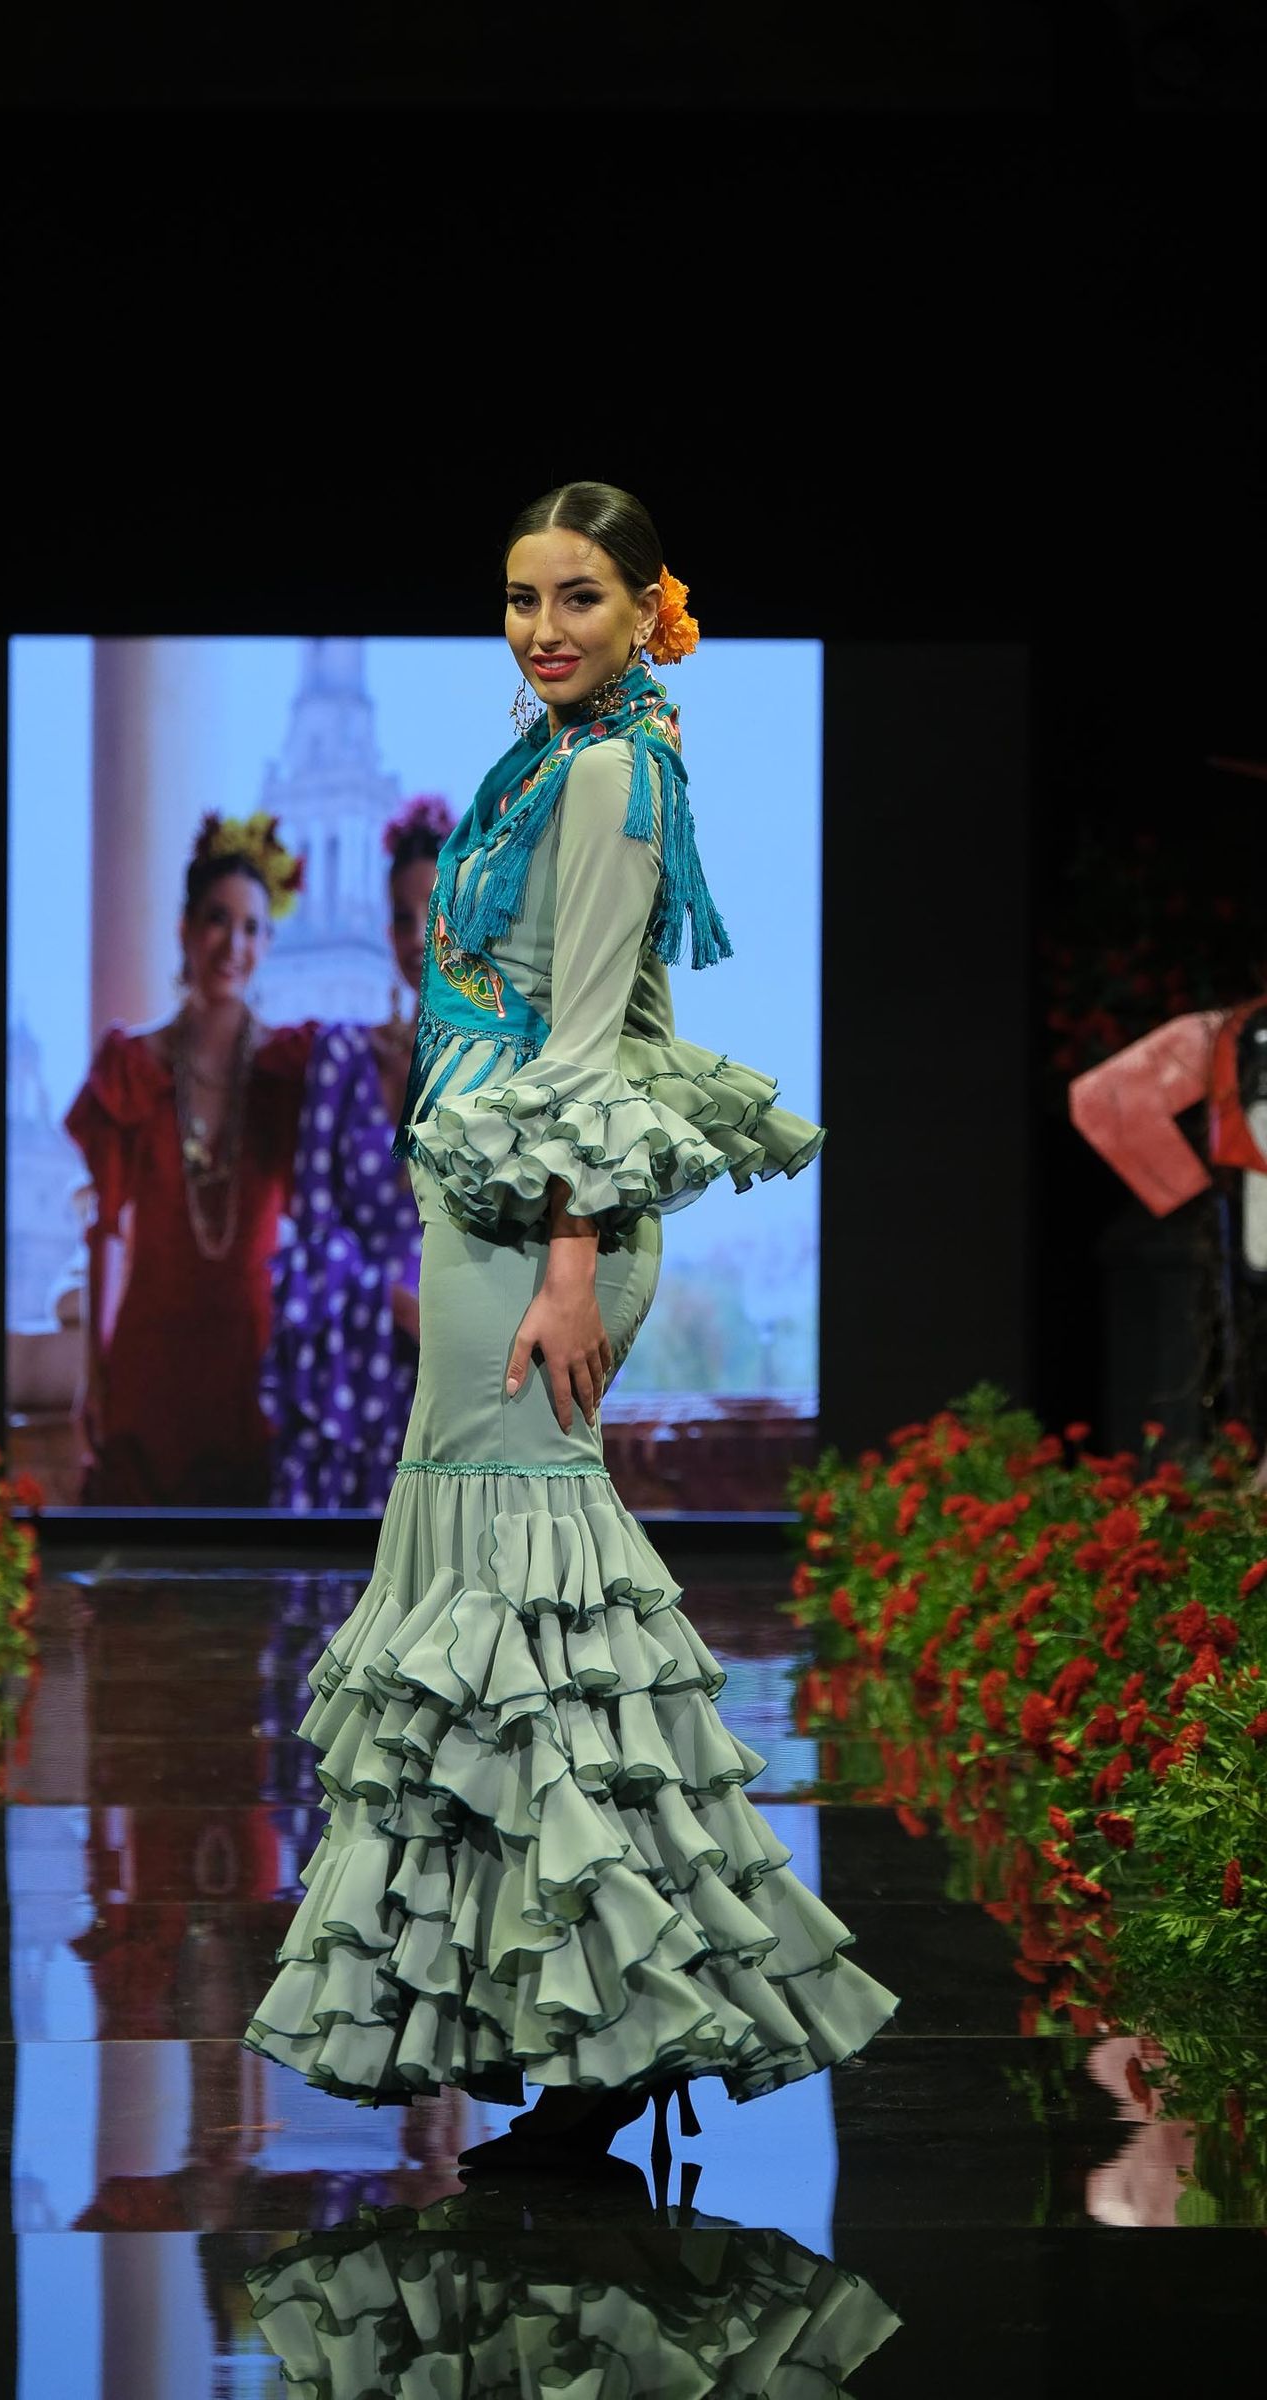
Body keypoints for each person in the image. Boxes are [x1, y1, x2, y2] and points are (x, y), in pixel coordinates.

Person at [243, 483, 898, 2170]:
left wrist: (565, 1255)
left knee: (528, 1599)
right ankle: (583, 2016)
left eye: (581, 597)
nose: (544, 626)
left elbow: (594, 1035)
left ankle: (632, 2014)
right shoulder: (557, 755)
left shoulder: (613, 766)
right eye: (524, 595)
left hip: (548, 1223)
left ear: (643, 606)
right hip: (500, 1213)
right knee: (494, 1602)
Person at [65, 811, 315, 1506]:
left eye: (250, 928)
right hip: (149, 1369)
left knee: (247, 1597)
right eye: (216, 920)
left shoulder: (288, 1074)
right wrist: (94, 1371)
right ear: (184, 928)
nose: (231, 944)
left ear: (267, 943)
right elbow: (105, 1232)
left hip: (247, 1368)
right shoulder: (130, 1068)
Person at [264, 795, 453, 1511]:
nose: (417, 937)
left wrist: (445, 1311)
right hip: (358, 1372)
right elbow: (313, 1232)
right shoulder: (345, 1054)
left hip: (466, 1376)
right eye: (402, 917)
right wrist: (392, 1301)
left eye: (435, 909)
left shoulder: (508, 1072)